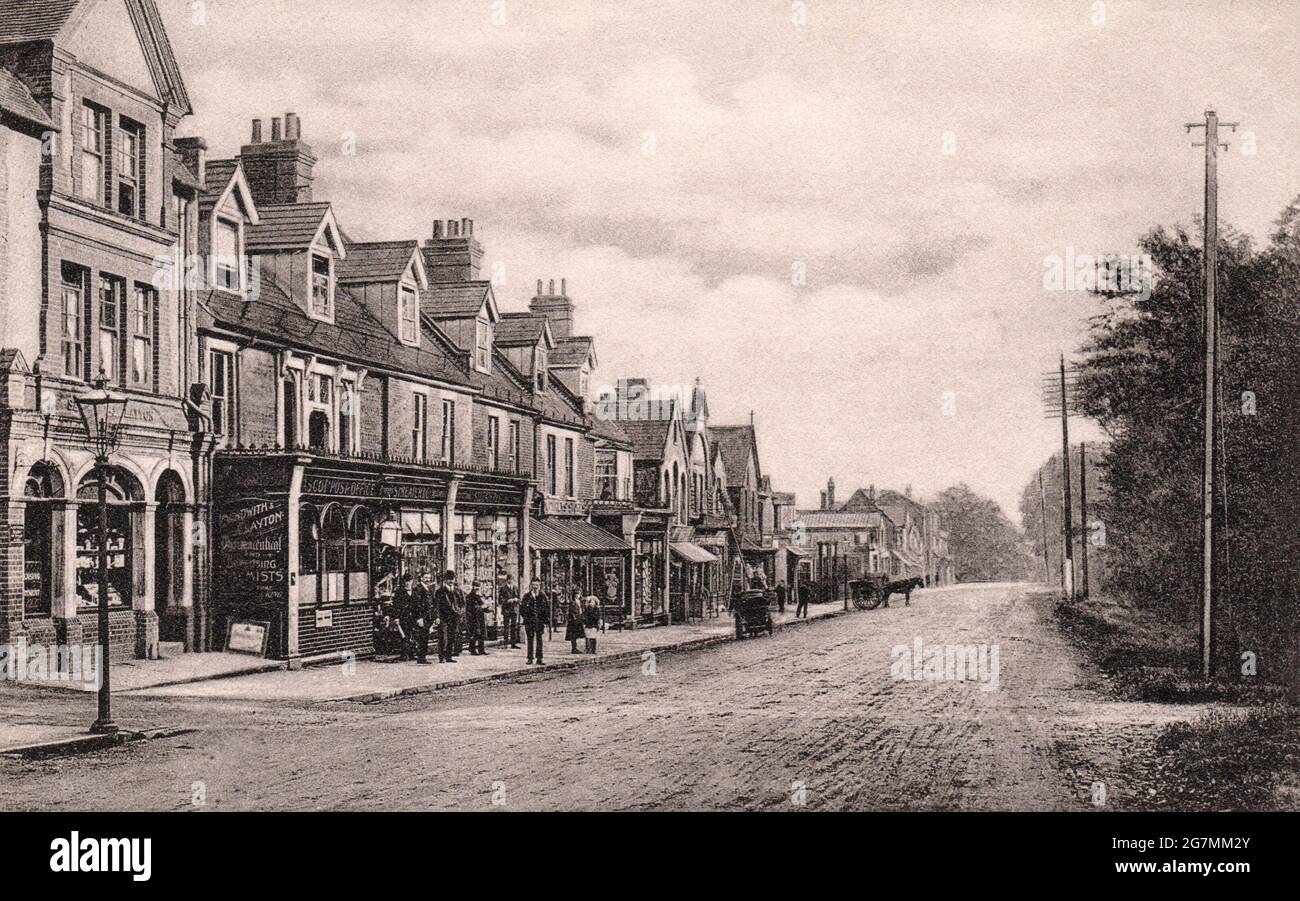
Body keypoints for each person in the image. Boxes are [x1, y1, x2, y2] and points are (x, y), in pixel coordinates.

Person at [434, 570, 462, 663]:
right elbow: (437, 606)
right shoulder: (440, 591)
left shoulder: (458, 591)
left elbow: (463, 603)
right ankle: (442, 657)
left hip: (454, 617)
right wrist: (437, 617)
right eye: (449, 579)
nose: (451, 581)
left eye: (452, 579)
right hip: (443, 617)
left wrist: (460, 612)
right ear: (445, 580)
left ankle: (449, 656)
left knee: (452, 636)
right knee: (443, 637)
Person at [520, 582, 548, 665]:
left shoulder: (542, 596)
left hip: (539, 621)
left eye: (537, 585)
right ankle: (530, 658)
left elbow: (546, 608)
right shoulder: (527, 596)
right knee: (530, 640)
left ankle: (539, 658)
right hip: (530, 621)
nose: (535, 587)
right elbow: (522, 609)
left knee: (539, 640)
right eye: (533, 585)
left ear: (539, 586)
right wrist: (526, 617)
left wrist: (545, 621)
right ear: (531, 586)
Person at [412, 572, 435, 664]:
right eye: (425, 577)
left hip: (428, 617)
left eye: (429, 577)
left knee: (425, 636)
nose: (428, 579)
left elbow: (432, 604)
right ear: (421, 578)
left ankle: (423, 656)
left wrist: (434, 617)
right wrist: (419, 618)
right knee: (421, 637)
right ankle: (421, 657)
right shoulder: (417, 589)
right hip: (422, 617)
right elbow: (416, 605)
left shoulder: (429, 588)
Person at [392, 575, 416, 661]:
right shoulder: (399, 593)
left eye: (409, 581)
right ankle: (404, 654)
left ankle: (412, 653)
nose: (408, 583)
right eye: (406, 581)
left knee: (412, 634)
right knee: (404, 635)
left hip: (413, 616)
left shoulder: (415, 591)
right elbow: (396, 606)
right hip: (403, 617)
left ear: (412, 581)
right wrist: (396, 617)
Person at [465, 580, 487, 656]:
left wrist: (486, 607)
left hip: (480, 616)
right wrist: (481, 607)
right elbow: (470, 608)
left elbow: (483, 605)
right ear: (473, 586)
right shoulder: (470, 596)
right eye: (476, 586)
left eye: (478, 586)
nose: (477, 588)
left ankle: (481, 649)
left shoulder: (479, 596)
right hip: (473, 617)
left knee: (481, 633)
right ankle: (472, 649)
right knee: (474, 633)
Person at [500, 579, 521, 648]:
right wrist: (507, 601)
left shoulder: (515, 588)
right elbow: (500, 599)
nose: (511, 581)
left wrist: (517, 599)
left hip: (514, 610)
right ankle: (505, 643)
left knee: (514, 627)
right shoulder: (503, 588)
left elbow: (519, 598)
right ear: (507, 580)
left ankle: (513, 643)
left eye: (512, 580)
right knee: (506, 626)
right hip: (506, 609)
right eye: (509, 580)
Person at [565, 589, 586, 654]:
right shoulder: (572, 602)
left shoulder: (579, 601)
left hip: (579, 619)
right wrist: (574, 618)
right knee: (573, 635)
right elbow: (571, 611)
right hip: (574, 621)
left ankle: (575, 648)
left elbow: (581, 610)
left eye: (578, 594)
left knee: (577, 634)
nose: (578, 595)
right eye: (576, 594)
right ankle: (574, 648)